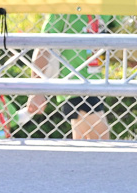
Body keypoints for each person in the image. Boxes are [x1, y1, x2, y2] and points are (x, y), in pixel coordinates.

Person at [25, 10, 111, 140]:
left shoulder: (105, 10)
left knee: (83, 143)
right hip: (74, 84)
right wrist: (36, 90)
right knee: (102, 141)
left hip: (95, 83)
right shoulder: (65, 11)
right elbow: (43, 47)